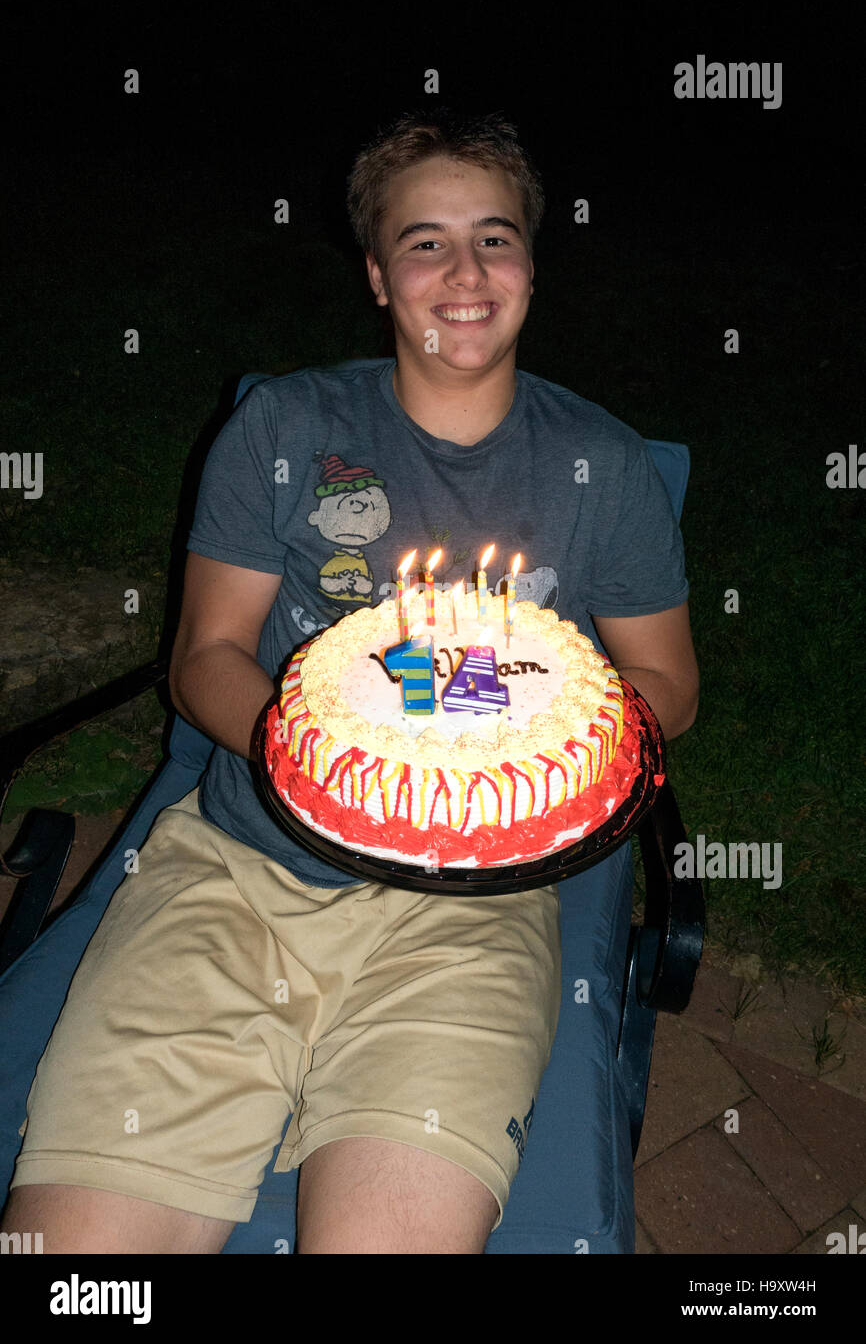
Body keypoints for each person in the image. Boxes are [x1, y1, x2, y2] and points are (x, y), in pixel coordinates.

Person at [2, 109, 698, 1253]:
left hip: (470, 911)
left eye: (494, 235)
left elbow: (664, 678)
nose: (463, 271)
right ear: (377, 275)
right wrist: (334, 757)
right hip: (236, 876)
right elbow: (203, 662)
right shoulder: (284, 426)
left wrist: (548, 728)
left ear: (530, 257)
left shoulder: (602, 466)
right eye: (423, 242)